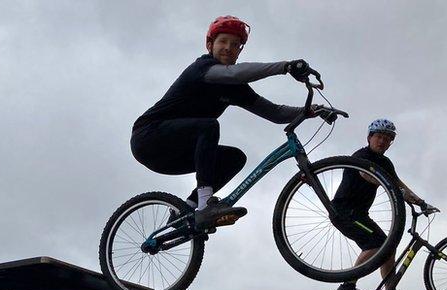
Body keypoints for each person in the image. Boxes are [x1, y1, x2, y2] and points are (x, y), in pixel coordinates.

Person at [130, 15, 331, 229]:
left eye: (235, 45)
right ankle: (206, 205)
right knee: (208, 126)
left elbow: (274, 113)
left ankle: (186, 211)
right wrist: (285, 67)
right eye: (223, 42)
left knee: (234, 158)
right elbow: (235, 73)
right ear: (210, 45)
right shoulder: (202, 69)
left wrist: (309, 111)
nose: (229, 48)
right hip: (148, 138)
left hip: (175, 153)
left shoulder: (236, 89)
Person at [331, 119, 430, 290]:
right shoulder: (361, 156)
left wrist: (421, 202)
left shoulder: (385, 163)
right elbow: (367, 175)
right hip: (344, 212)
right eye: (379, 137)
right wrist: (392, 188)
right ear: (369, 138)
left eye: (387, 139)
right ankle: (347, 286)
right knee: (377, 243)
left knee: (389, 246)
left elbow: (398, 184)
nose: (382, 141)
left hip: (360, 214)